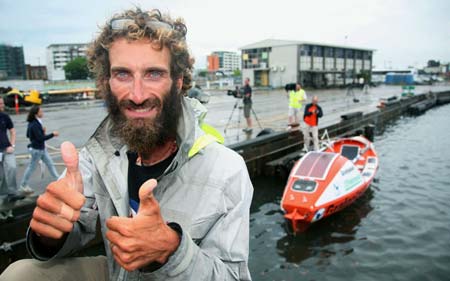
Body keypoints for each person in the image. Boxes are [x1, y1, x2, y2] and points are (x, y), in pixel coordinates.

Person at [1, 7, 253, 281]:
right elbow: (70, 233)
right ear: (106, 82)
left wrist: (171, 251)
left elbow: (232, 276)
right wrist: (49, 232)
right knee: (20, 274)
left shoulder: (227, 170)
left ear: (178, 82)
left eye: (153, 74)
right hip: (118, 274)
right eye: (122, 74)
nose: (137, 94)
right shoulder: (97, 156)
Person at [18, 105, 60, 194]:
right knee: (31, 168)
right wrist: (53, 134)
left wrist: (41, 132)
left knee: (50, 164)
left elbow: (28, 135)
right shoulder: (35, 124)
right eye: (41, 111)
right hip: (37, 150)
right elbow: (40, 138)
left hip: (41, 149)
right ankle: (23, 185)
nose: (42, 113)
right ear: (36, 114)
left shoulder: (33, 123)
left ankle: (59, 180)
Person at [0, 96, 20, 202]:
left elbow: (12, 131)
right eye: (0, 104)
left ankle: (12, 193)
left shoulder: (5, 117)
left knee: (12, 168)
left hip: (7, 148)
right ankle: (3, 195)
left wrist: (12, 145)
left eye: (2, 103)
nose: (2, 106)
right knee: (1, 175)